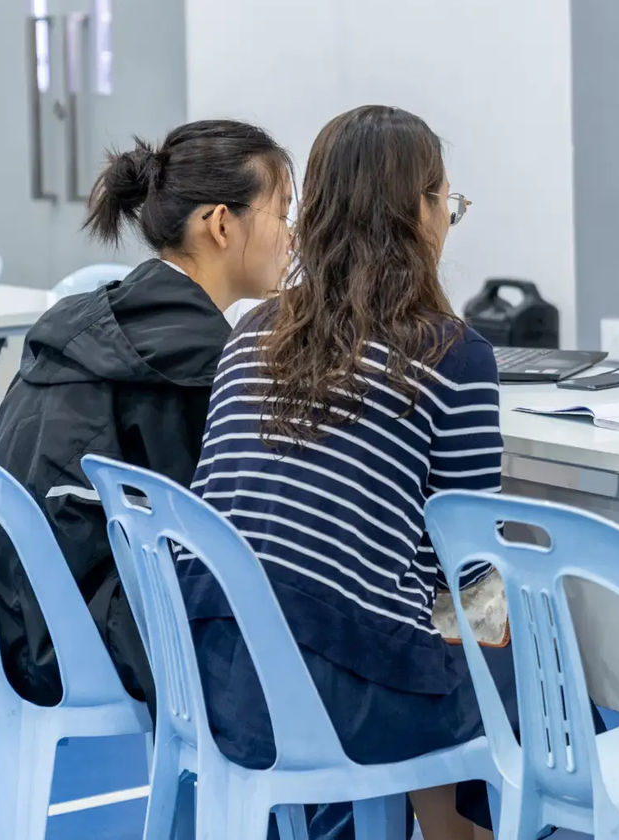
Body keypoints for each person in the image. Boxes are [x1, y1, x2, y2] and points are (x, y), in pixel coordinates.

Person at [181, 105, 502, 840]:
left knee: (437, 633)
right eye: (447, 203)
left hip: (209, 675)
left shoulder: (251, 332)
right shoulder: (452, 354)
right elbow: (466, 565)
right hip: (331, 700)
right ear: (420, 213)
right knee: (511, 648)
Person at [0, 118, 294, 709]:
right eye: (282, 215)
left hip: (4, 617)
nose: (292, 238)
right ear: (221, 224)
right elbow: (217, 536)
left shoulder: (90, 318)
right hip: (79, 639)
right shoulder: (198, 362)